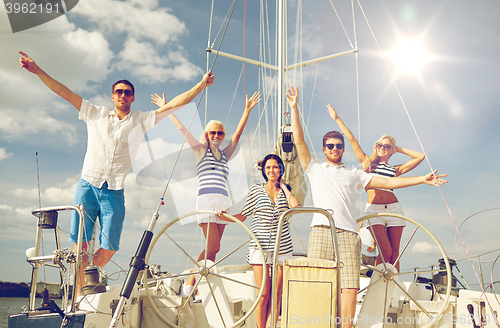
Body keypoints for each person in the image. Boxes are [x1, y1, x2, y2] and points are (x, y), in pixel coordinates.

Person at [19, 51, 215, 297]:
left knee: (110, 246)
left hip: (114, 190)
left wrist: (201, 84)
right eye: (119, 92)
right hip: (88, 184)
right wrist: (37, 70)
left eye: (128, 92)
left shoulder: (141, 120)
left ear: (133, 98)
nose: (123, 95)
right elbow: (63, 91)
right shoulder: (95, 113)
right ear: (113, 96)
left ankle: (85, 277)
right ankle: (80, 294)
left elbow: (177, 103)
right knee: (80, 245)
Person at [286, 86, 447, 328]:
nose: (335, 149)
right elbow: (299, 141)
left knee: (350, 285)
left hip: (349, 234)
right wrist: (294, 108)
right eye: (330, 146)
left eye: (338, 146)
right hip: (321, 231)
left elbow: (390, 182)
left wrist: (422, 179)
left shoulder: (355, 174)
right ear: (324, 149)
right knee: (319, 280)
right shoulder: (314, 168)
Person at [151, 91, 261, 296]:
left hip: (222, 201)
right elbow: (182, 129)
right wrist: (167, 108)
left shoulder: (225, 155)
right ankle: (190, 285)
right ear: (207, 134)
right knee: (213, 246)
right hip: (207, 202)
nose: (217, 136)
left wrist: (247, 110)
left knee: (215, 250)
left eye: (220, 133)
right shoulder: (201, 150)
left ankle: (194, 283)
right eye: (213, 133)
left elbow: (237, 135)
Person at [327, 105, 425, 272]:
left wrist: (398, 148)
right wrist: (337, 118)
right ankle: (378, 287)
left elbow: (420, 156)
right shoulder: (367, 164)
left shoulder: (395, 170)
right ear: (376, 146)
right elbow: (351, 140)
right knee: (385, 251)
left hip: (395, 210)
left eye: (387, 146)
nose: (382, 147)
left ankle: (391, 290)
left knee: (395, 254)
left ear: (391, 150)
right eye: (380, 144)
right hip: (374, 210)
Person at [232, 154, 299, 328]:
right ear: (263, 170)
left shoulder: (287, 190)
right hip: (259, 247)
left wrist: (283, 186)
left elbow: (295, 206)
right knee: (263, 294)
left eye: (276, 167)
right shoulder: (255, 190)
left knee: (277, 294)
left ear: (281, 170)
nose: (272, 170)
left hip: (282, 247)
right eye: (268, 167)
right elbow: (243, 214)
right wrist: (221, 215)